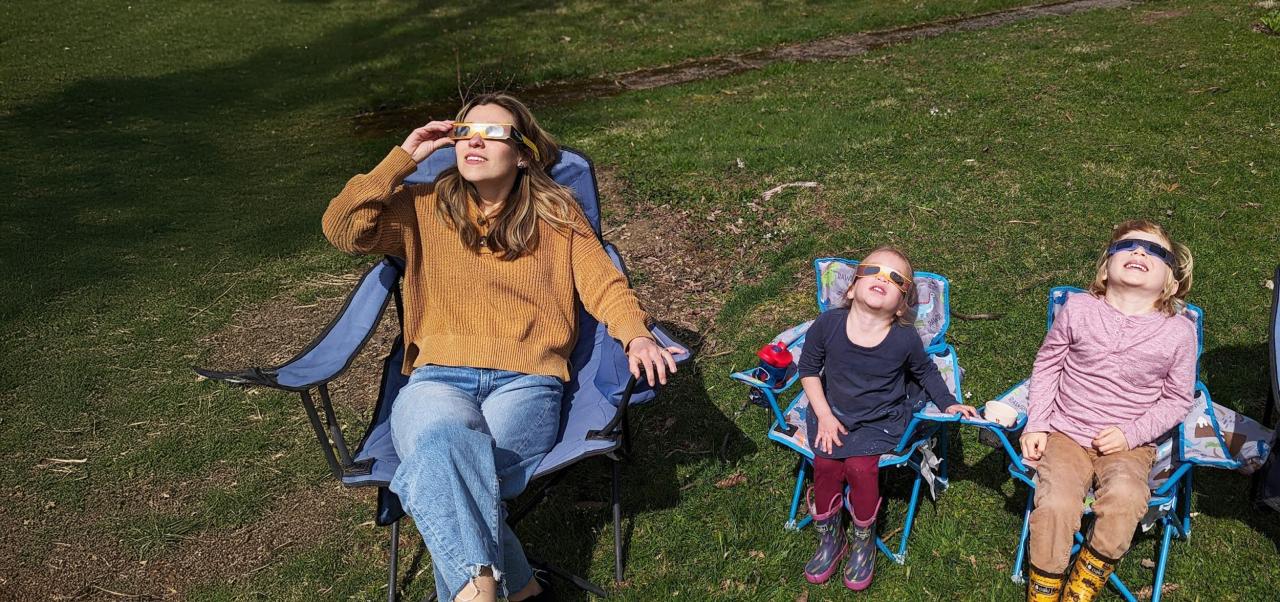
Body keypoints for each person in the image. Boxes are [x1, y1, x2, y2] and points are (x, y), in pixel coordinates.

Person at [322, 93, 681, 602]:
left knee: (437, 461)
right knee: (446, 447)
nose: (475, 140)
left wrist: (637, 334)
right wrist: (406, 155)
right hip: (437, 378)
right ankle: (503, 589)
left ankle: (501, 590)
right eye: (466, 130)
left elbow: (604, 283)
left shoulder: (558, 215)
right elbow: (343, 228)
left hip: (528, 381)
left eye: (494, 134)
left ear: (524, 154)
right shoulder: (421, 207)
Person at [1020, 220, 1196, 602]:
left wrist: (1131, 434)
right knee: (1056, 501)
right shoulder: (1078, 308)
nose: (1138, 253)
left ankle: (1086, 578)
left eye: (1153, 251)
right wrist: (1037, 423)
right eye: (1128, 246)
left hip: (1130, 443)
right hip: (1065, 432)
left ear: (1170, 278)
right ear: (1105, 267)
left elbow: (1178, 399)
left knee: (1128, 497)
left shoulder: (1179, 332)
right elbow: (1048, 365)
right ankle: (1045, 588)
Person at [796, 246, 978, 590]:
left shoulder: (903, 338)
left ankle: (863, 541)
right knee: (826, 466)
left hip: (881, 419)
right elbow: (808, 370)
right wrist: (823, 414)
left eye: (896, 279)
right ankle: (830, 537)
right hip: (831, 411)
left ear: (901, 304)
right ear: (851, 288)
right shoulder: (828, 323)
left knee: (860, 468)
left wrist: (949, 403)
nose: (883, 278)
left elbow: (925, 372)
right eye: (874, 271)